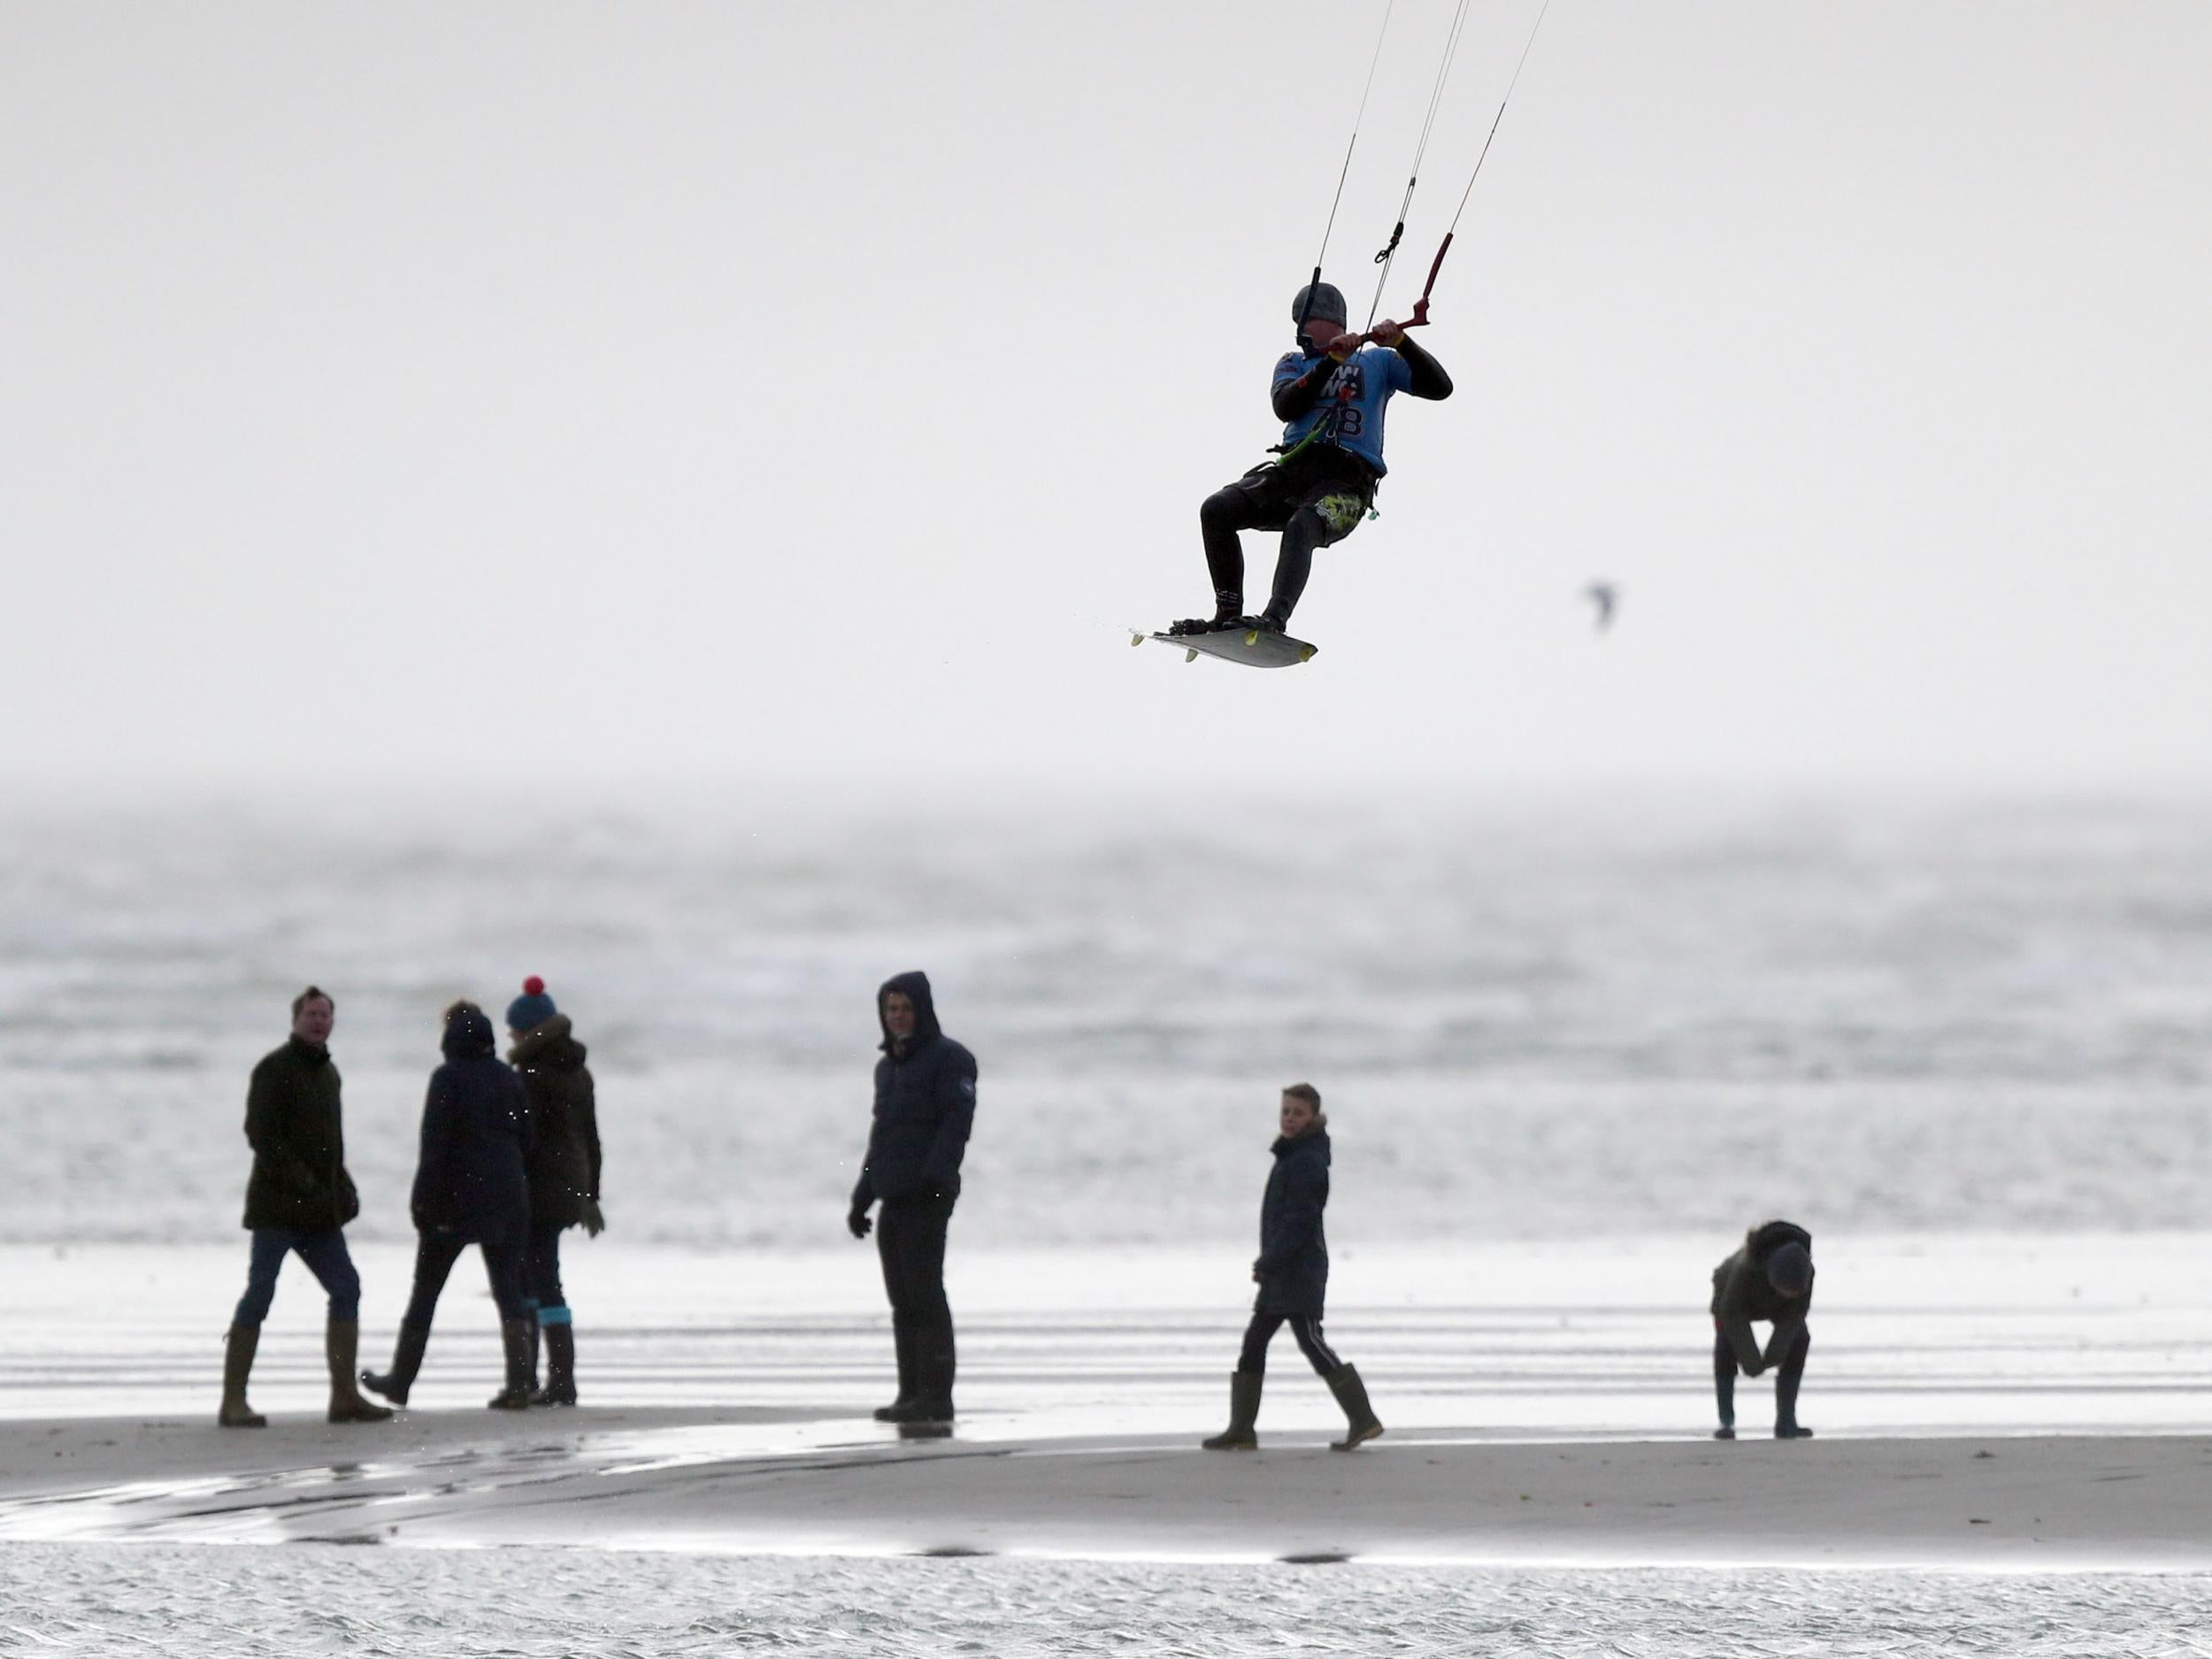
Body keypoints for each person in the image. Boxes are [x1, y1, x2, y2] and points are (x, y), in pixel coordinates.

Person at [1171, 281, 1453, 637]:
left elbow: (1440, 388)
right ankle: (1226, 612)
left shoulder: (1377, 361)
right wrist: (1330, 363)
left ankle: (1274, 619)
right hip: (1292, 474)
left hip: (1347, 482)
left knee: (1303, 526)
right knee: (1216, 509)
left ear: (1324, 319)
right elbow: (1286, 406)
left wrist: (1402, 342)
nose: (1298, 332)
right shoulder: (1293, 363)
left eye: (1302, 322)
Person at [220, 986, 393, 1427]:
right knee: (260, 1293)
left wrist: (342, 1185)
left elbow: (330, 1145)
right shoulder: (274, 1068)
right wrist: (303, 1182)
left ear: (332, 1022)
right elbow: (260, 1135)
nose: (318, 1021)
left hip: (319, 1213)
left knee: (346, 1287)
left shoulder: (329, 1073)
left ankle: (344, 1397)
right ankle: (233, 1402)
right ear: (295, 1019)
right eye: (311, 1014)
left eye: (325, 1014)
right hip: (276, 1209)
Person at [361, 1001, 536, 1410]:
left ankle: (400, 1380)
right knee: (508, 1291)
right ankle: (518, 1387)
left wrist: (421, 1203)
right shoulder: (509, 1080)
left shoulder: (446, 1078)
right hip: (508, 1197)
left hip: (453, 1201)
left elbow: (433, 1148)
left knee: (426, 1292)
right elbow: (529, 1139)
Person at [1202, 1083, 1381, 1452]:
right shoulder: (1291, 1155)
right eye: (1285, 1112)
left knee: (1311, 1341)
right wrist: (1271, 1263)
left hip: (1300, 1269)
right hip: (1283, 1270)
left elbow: (1300, 1222)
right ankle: (1242, 1429)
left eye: (1297, 1113)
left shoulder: (1307, 1161)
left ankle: (1363, 1419)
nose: (1289, 1119)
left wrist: (1269, 1262)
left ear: (1313, 1117)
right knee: (1255, 1342)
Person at [846, 972, 976, 1426]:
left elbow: (955, 1127)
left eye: (905, 1008)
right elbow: (880, 1137)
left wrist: (938, 1180)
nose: (898, 1017)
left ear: (921, 1011)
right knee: (901, 1298)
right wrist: (862, 1197)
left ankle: (937, 1397)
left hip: (929, 1195)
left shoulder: (951, 1060)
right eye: (891, 1009)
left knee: (925, 1293)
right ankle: (909, 1393)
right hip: (893, 1195)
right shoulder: (888, 1068)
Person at [505, 976, 604, 1407]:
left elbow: (522, 1142)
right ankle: (544, 1377)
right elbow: (592, 1139)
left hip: (536, 1190)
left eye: (513, 1030)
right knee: (541, 1276)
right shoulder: (578, 1071)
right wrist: (591, 1195)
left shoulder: (530, 1075)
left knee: (538, 1279)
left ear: (526, 1030)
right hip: (569, 1188)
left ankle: (551, 1380)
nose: (510, 1037)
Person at [1710, 1219, 1816, 1440]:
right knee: (1726, 1343)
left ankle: (1787, 1420)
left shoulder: (1805, 1272)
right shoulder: (1745, 1268)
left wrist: (1774, 1355)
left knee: (1800, 1339)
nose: (1791, 1294)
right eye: (1786, 1290)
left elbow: (1794, 1316)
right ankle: (1726, 1421)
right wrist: (1752, 1362)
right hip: (1730, 1300)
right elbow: (1732, 1315)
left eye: (1795, 1292)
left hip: (1777, 1307)